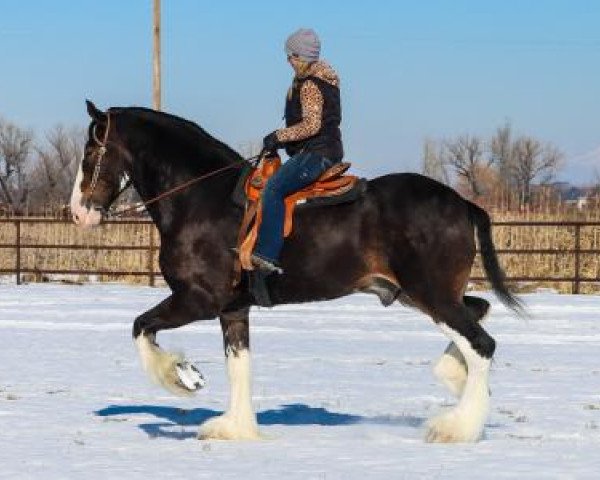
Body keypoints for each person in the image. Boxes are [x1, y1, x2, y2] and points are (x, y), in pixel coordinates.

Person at [251, 28, 344, 274]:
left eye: (290, 56)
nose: (288, 61)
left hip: (317, 153)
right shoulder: (319, 80)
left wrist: (278, 136)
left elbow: (312, 125)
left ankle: (267, 254)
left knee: (273, 189)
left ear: (300, 57)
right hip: (320, 149)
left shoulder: (310, 85)